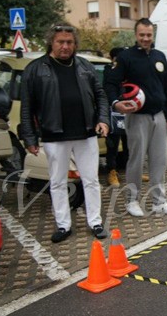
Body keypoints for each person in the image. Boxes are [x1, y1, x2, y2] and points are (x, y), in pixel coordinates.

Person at [19, 24, 110, 243]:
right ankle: (63, 225)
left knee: (91, 180)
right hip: (54, 135)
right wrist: (30, 138)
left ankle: (95, 222)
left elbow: (100, 95)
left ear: (75, 44)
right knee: (58, 181)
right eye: (60, 42)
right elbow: (27, 107)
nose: (65, 46)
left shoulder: (85, 66)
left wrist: (103, 119)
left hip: (86, 133)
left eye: (69, 42)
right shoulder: (35, 69)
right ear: (51, 42)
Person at [104, 18, 167, 217]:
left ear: (152, 34)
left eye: (149, 35)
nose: (146, 38)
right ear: (136, 35)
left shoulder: (159, 56)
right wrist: (116, 103)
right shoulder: (125, 57)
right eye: (142, 35)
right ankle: (132, 201)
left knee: (160, 160)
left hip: (158, 116)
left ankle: (159, 203)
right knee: (136, 161)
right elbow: (110, 83)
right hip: (136, 117)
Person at [104, 47, 128, 187]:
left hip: (128, 112)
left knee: (129, 144)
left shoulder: (128, 72)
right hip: (113, 113)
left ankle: (130, 171)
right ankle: (111, 172)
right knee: (112, 145)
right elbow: (108, 88)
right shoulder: (109, 71)